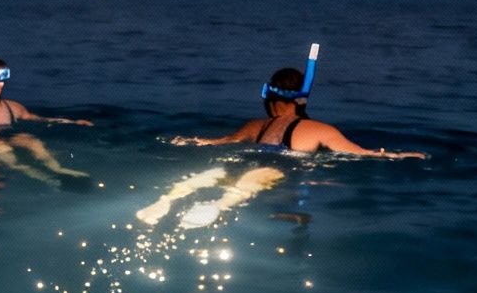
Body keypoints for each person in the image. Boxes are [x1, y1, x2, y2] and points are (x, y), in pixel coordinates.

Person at [141, 62, 426, 229]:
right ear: (301, 99)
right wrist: (400, 155)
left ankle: (166, 200)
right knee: (248, 186)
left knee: (209, 177)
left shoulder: (255, 126)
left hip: (244, 158)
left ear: (269, 96)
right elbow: (361, 154)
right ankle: (219, 205)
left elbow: (217, 143)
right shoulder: (318, 130)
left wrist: (187, 141)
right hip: (281, 165)